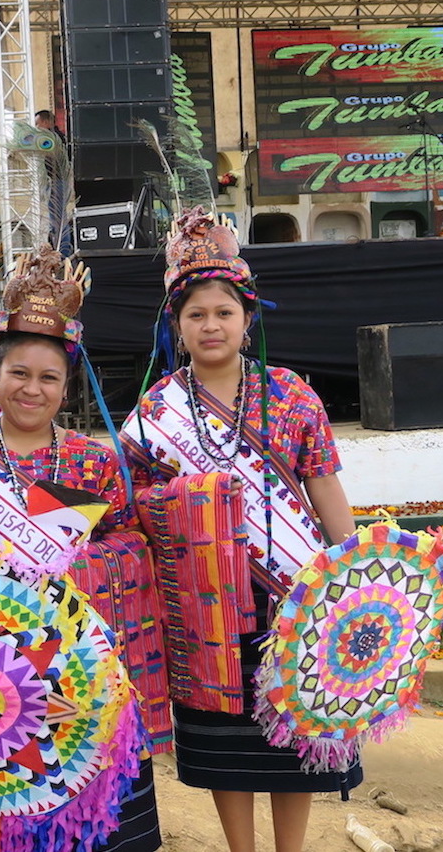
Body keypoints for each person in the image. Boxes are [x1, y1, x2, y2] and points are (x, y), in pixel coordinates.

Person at [0, 246, 165, 852]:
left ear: (68, 386)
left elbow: (130, 543)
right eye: (19, 373)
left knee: (97, 828)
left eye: (49, 377)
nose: (31, 389)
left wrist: (75, 565)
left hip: (79, 674)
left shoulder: (95, 463)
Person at [119, 208, 361, 852]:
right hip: (207, 605)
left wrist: (354, 573)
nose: (211, 325)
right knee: (225, 738)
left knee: (292, 731)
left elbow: (325, 490)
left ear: (248, 318)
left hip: (294, 596)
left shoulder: (290, 395)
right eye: (195, 314)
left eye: (224, 311)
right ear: (176, 325)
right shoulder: (154, 414)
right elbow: (135, 510)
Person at [34, 109, 73, 257]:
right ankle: (60, 249)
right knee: (56, 218)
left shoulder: (53, 138)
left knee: (58, 218)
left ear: (45, 122)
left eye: (38, 124)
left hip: (58, 181)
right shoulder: (56, 137)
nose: (37, 127)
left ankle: (63, 252)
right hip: (57, 181)